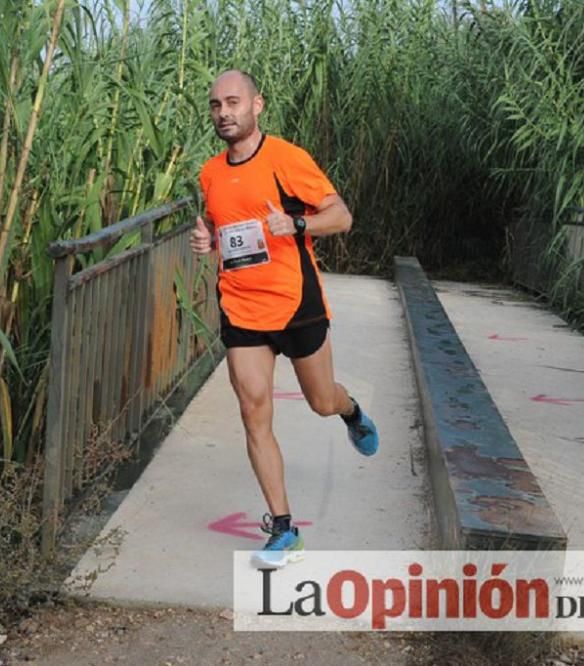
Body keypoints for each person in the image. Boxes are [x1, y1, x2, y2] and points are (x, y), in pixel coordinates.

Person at [190, 70, 379, 568]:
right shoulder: (210, 173)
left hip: (296, 303)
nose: (223, 112)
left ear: (258, 105)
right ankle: (282, 528)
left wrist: (298, 222)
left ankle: (351, 411)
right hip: (241, 305)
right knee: (254, 412)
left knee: (321, 401)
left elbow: (341, 216)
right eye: (215, 105)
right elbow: (218, 222)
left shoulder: (287, 159)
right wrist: (208, 238)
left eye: (233, 102)